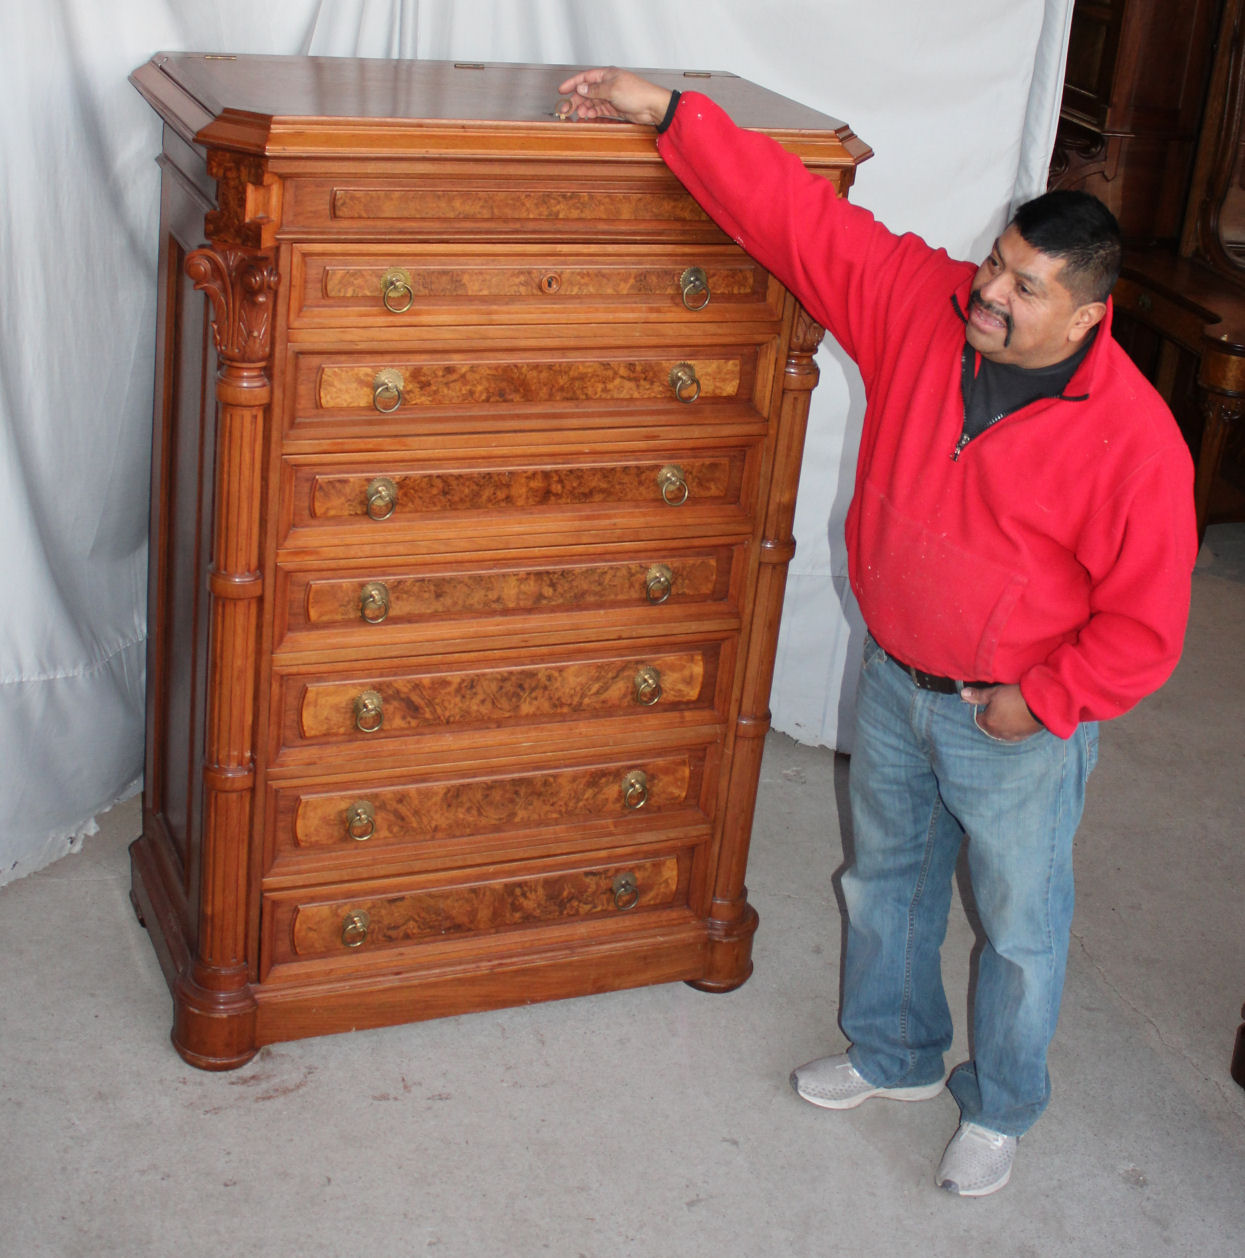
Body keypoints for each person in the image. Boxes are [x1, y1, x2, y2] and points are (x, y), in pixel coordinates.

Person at [558, 67, 1197, 1197]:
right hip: (899, 682)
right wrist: (671, 114)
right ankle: (895, 1056)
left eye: (1026, 288)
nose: (990, 292)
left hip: (1015, 720)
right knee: (888, 880)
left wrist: (1038, 703)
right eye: (997, 262)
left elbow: (1145, 628)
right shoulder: (924, 304)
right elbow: (799, 217)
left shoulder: (1137, 444)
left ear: (1091, 314)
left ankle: (998, 1107)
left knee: (1020, 928)